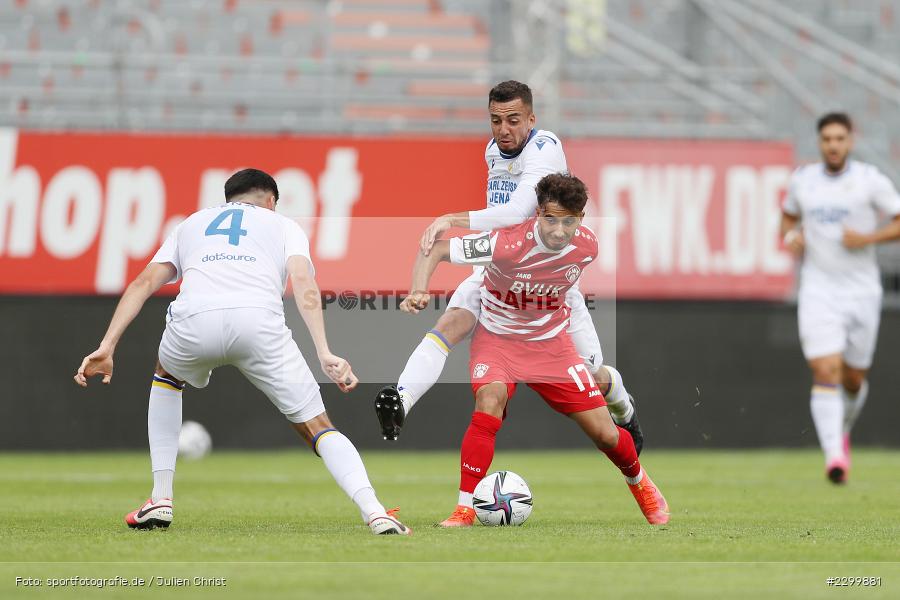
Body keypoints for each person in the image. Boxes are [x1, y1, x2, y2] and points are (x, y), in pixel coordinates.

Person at [74, 168, 410, 535]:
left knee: (166, 375)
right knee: (318, 427)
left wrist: (107, 345)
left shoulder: (191, 224)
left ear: (229, 199)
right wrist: (324, 351)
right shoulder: (283, 225)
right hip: (259, 324)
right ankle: (375, 512)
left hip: (193, 322)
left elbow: (143, 283)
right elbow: (303, 281)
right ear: (271, 201)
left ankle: (161, 498)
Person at [375, 81, 643, 454]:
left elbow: (518, 211)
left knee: (594, 375)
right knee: (447, 327)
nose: (503, 129)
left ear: (531, 119)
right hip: (498, 269)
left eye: (513, 120)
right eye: (496, 120)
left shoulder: (545, 148)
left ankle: (622, 404)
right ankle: (400, 400)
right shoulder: (493, 151)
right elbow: (496, 224)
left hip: (546, 290)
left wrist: (450, 218)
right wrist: (421, 287)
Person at [401, 173, 669, 527]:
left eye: (569, 221)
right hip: (498, 342)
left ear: (582, 219)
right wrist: (418, 289)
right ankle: (464, 509)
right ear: (538, 213)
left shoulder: (587, 247)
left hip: (552, 347)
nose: (560, 230)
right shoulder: (506, 243)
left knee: (604, 432)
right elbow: (437, 249)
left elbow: (566, 289)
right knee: (489, 401)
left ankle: (642, 484)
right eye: (551, 219)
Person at [781, 113, 900, 484]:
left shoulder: (870, 181)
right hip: (819, 289)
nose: (833, 145)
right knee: (825, 370)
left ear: (850, 142)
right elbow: (787, 220)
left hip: (862, 291)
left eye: (840, 138)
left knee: (852, 379)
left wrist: (867, 239)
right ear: (820, 142)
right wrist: (790, 238)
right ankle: (835, 457)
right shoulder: (803, 181)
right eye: (827, 138)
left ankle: (840, 432)